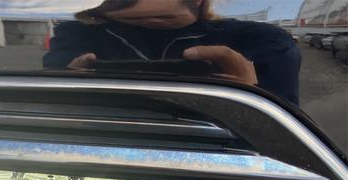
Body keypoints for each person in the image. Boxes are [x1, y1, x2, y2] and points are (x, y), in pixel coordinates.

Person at [43, 0, 301, 104]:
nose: (149, 21)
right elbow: (53, 100)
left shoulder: (264, 39)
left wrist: (254, 94)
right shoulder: (75, 34)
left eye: (163, 16)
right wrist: (70, 80)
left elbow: (287, 129)